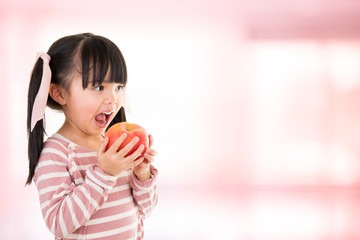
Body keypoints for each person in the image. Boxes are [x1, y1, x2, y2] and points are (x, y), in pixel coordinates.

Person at [26, 33, 158, 240]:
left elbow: (145, 210)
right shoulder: (56, 153)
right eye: (98, 87)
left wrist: (143, 175)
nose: (113, 99)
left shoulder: (115, 148)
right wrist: (105, 173)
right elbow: (58, 223)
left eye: (118, 87)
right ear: (60, 94)